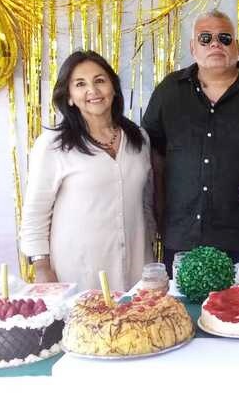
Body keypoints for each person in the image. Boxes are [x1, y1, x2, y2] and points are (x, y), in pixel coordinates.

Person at [142, 10, 239, 274]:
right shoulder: (169, 92)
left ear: (236, 47)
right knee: (182, 313)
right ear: (193, 47)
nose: (216, 44)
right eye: (205, 38)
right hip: (182, 237)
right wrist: (156, 210)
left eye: (224, 38)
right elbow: (151, 152)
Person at [20, 50, 153, 291]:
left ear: (113, 87)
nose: (93, 90)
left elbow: (145, 203)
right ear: (69, 96)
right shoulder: (53, 145)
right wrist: (42, 268)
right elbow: (35, 214)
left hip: (136, 271)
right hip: (78, 274)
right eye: (80, 84)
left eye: (100, 80)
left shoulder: (139, 139)